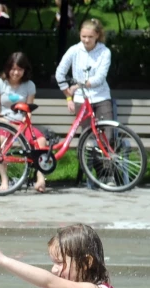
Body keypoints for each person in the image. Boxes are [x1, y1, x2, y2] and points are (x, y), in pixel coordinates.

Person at [55, 19, 112, 188]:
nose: (86, 40)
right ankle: (92, 175)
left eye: (90, 37)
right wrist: (68, 95)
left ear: (97, 36)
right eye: (83, 36)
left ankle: (107, 175)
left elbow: (100, 77)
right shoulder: (74, 50)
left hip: (101, 97)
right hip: (81, 98)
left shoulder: (104, 52)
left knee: (106, 137)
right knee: (89, 139)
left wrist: (82, 83)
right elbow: (60, 73)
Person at [0, 52, 51, 192]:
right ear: (7, 68)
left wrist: (24, 121)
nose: (16, 73)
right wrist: (6, 122)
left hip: (22, 124)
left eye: (20, 69)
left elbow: (28, 109)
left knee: (41, 142)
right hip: (3, 123)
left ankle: (41, 179)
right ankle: (4, 180)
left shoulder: (29, 85)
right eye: (13, 69)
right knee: (0, 141)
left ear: (25, 70)